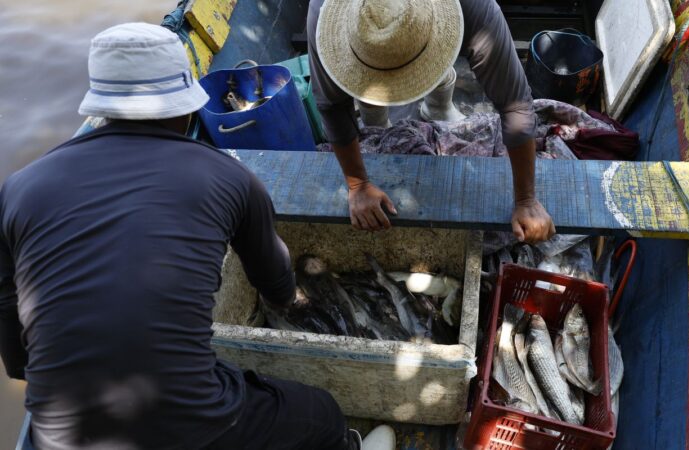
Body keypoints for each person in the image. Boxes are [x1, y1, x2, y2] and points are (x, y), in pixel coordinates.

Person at [0, 23, 393, 450]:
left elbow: (18, 359)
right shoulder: (230, 177)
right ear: (186, 109)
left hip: (56, 437)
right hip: (191, 426)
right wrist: (291, 298)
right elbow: (278, 287)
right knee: (322, 414)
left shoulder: (18, 188)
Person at [308, 0, 556, 242]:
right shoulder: (323, 17)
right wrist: (358, 185)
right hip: (364, 60)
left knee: (430, 62)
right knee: (370, 103)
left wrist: (526, 200)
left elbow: (515, 104)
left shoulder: (475, 9)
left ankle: (437, 106)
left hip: (439, 32)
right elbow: (332, 107)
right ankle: (375, 116)